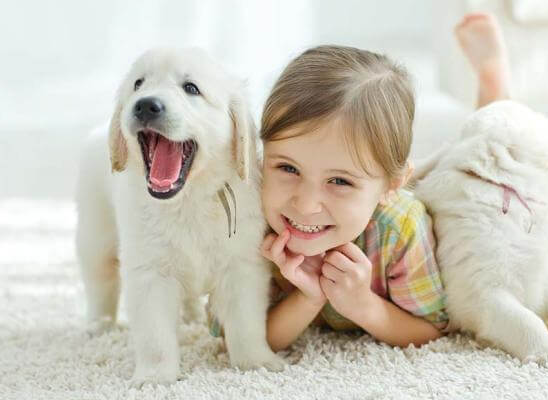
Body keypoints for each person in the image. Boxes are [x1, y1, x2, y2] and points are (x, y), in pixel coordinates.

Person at [210, 13, 511, 351]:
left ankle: (492, 84)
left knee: (481, 155)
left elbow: (431, 329)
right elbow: (232, 339)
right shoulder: (252, 219)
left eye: (339, 181)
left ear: (390, 187)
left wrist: (363, 306)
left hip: (421, 194)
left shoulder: (400, 229)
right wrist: (309, 298)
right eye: (288, 169)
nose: (305, 205)